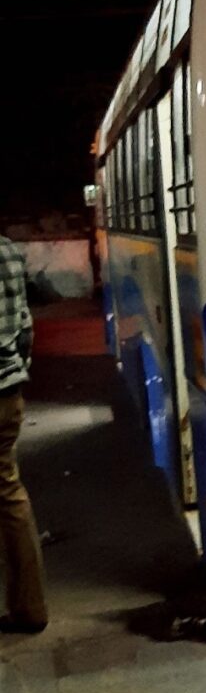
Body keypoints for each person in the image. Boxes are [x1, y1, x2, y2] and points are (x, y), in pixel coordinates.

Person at [0, 234, 47, 633]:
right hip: (7, 391)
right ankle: (30, 608)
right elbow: (25, 325)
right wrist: (18, 368)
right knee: (9, 493)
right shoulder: (8, 250)